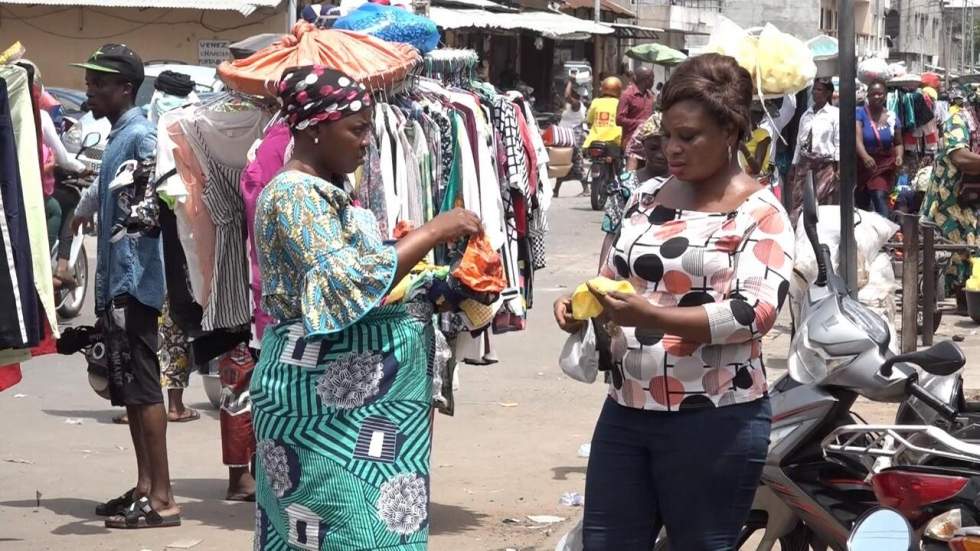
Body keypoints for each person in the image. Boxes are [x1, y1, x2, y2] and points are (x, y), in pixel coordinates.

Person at [553, 53, 794, 550]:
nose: (673, 148)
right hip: (627, 410)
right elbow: (613, 277)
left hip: (715, 420)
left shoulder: (759, 213)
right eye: (668, 135)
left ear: (730, 132)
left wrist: (654, 316)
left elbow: (754, 314)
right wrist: (582, 305)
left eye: (689, 136)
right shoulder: (646, 197)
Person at [251, 65, 482, 549]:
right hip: (318, 408)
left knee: (365, 529)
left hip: (359, 407)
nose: (367, 143)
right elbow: (345, 282)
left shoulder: (332, 189)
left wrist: (441, 281)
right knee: (341, 529)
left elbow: (368, 278)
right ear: (314, 129)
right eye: (356, 130)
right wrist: (434, 232)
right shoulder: (294, 195)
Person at [70, 43, 179, 529]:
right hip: (118, 285)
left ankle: (163, 500)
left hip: (134, 286)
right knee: (130, 392)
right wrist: (81, 212)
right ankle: (143, 487)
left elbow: (152, 211)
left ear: (126, 89)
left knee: (144, 391)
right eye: (90, 81)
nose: (89, 90)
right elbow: (105, 189)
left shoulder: (141, 138)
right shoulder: (119, 137)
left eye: (99, 83)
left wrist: (126, 288)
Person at [921, 85, 980, 305]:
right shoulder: (958, 121)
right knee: (950, 253)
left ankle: (969, 301)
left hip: (972, 199)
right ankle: (935, 305)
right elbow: (960, 157)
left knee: (972, 254)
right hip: (949, 200)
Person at [599, 111, 669, 270]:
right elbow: (611, 233)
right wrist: (600, 278)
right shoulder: (625, 184)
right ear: (642, 147)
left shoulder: (684, 184)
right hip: (628, 264)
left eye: (665, 147)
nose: (660, 154)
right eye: (653, 148)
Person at [789, 78, 840, 224]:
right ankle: (797, 228)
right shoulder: (806, 115)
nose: (815, 93)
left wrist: (838, 168)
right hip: (805, 163)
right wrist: (794, 165)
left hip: (825, 164)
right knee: (798, 199)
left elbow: (838, 141)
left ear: (828, 93)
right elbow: (799, 142)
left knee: (820, 199)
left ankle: (818, 232)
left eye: (819, 90)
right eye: (814, 90)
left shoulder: (834, 115)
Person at [856, 79, 903, 217]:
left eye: (880, 94)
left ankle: (886, 232)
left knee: (879, 195)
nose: (877, 97)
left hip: (883, 166)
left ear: (885, 95)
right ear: (868, 96)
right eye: (873, 94)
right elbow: (857, 139)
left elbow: (898, 142)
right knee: (862, 205)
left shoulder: (892, 117)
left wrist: (899, 156)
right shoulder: (860, 113)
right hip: (862, 166)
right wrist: (865, 156)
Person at [617, 65, 655, 168]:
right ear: (646, 80)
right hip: (631, 143)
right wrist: (639, 123)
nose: (653, 82)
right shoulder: (627, 95)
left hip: (647, 142)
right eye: (652, 79)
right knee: (631, 173)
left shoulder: (650, 96)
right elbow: (619, 119)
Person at [554, 85, 588, 197]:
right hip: (566, 139)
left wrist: (569, 82)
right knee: (563, 163)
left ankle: (586, 189)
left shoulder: (577, 105)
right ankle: (556, 189)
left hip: (573, 139)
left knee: (576, 163)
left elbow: (567, 96)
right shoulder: (572, 106)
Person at [583, 76, 623, 150]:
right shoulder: (620, 103)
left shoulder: (596, 101)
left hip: (594, 141)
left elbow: (589, 120)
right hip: (614, 141)